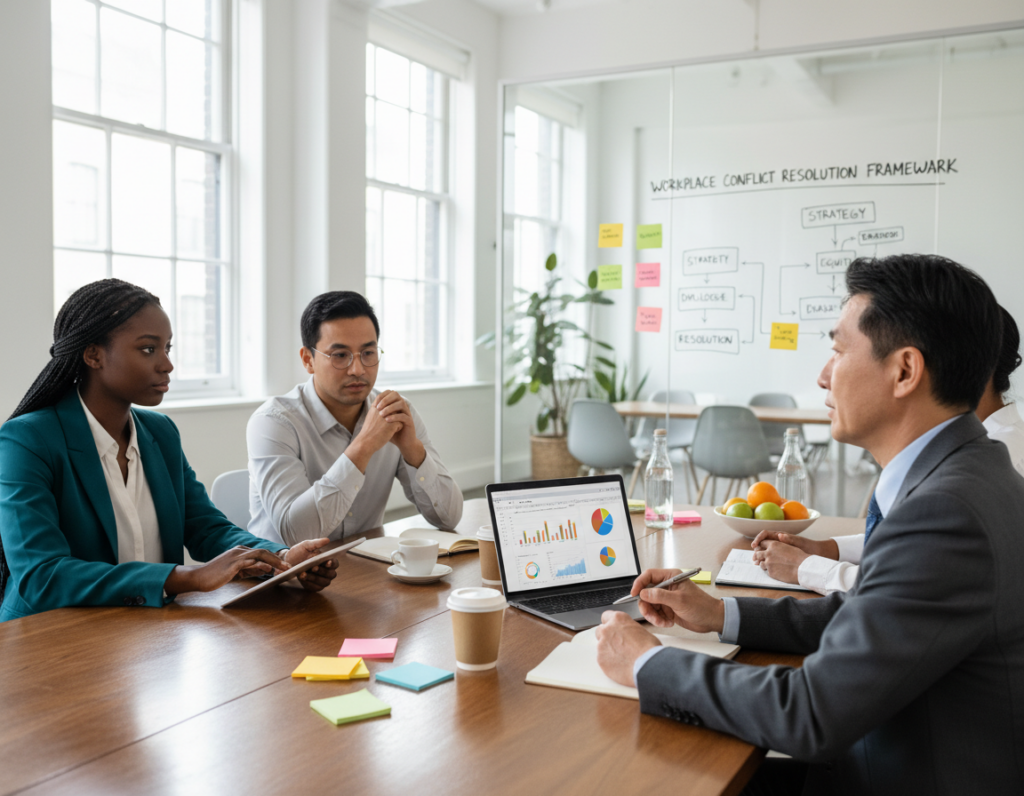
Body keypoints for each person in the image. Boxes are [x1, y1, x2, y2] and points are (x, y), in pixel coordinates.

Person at [594, 254, 1024, 794]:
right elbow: (873, 616)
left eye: (839, 350)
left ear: (905, 370)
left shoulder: (946, 512)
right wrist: (717, 613)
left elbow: (811, 715)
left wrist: (647, 665)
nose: (823, 375)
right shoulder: (967, 472)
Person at [0, 280, 339, 622]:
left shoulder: (159, 432)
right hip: (48, 640)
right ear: (93, 355)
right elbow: (41, 575)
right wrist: (187, 577)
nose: (167, 365)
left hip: (148, 633)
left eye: (168, 348)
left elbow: (206, 527)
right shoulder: (27, 441)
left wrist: (281, 559)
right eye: (149, 349)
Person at [752, 305, 1024, 593]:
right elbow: (910, 540)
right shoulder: (965, 446)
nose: (825, 378)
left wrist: (806, 567)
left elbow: (913, 582)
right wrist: (825, 549)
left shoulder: (996, 460)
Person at [246, 291, 463, 547]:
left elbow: (449, 519)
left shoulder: (394, 413)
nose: (358, 369)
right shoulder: (274, 422)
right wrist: (363, 446)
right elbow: (297, 535)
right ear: (308, 360)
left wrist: (414, 451)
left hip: (363, 571)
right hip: (283, 579)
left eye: (368, 353)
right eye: (340, 355)